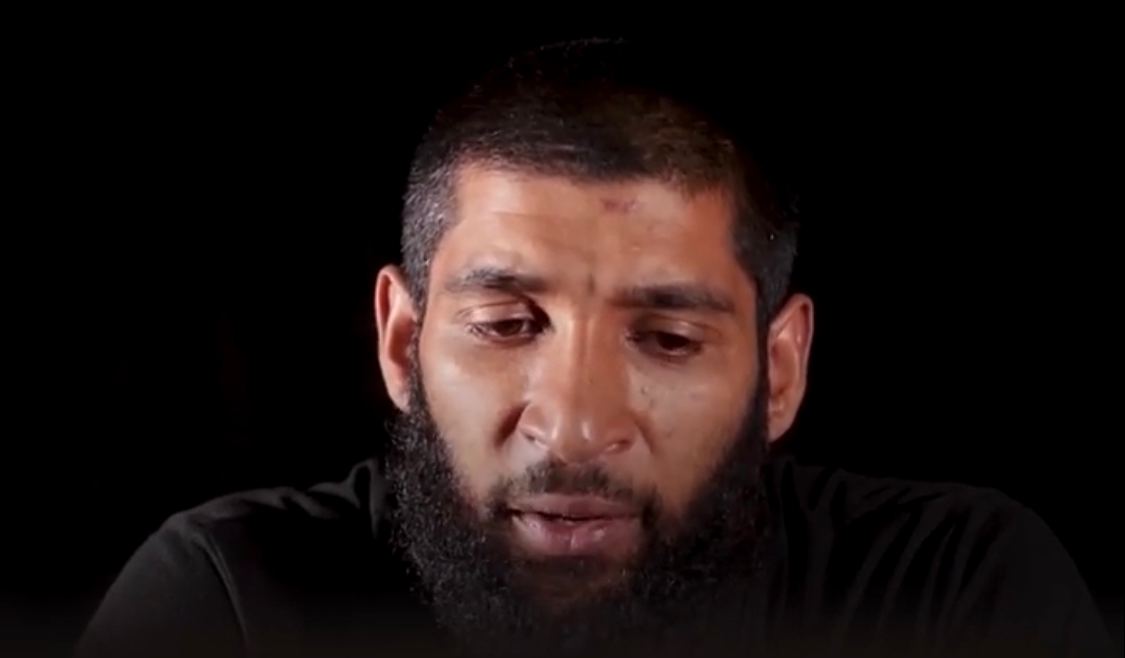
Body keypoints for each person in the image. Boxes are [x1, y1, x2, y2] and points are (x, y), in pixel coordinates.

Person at [76, 39, 1112, 658]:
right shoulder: (230, 601)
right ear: (402, 340)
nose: (574, 427)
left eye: (666, 337)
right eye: (506, 325)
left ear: (780, 370)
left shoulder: (949, 592)